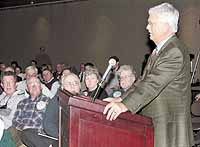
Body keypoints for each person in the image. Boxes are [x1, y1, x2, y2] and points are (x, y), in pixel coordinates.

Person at [103, 3, 194, 147]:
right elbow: (143, 81)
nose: (147, 27)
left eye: (151, 23)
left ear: (165, 26)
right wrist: (120, 99)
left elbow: (152, 84)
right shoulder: (161, 50)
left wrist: (123, 106)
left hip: (169, 127)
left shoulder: (174, 51)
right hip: (158, 122)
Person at [12, 76, 53, 147]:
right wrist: (24, 127)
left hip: (40, 134)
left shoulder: (49, 101)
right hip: (24, 133)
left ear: (41, 87)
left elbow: (53, 122)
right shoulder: (22, 103)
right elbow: (15, 121)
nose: (34, 85)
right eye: (30, 83)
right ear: (27, 89)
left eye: (36, 83)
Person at [43, 73, 81, 140]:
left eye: (76, 83)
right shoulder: (56, 100)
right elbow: (48, 124)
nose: (73, 86)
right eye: (69, 83)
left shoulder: (84, 102)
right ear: (62, 87)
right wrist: (62, 137)